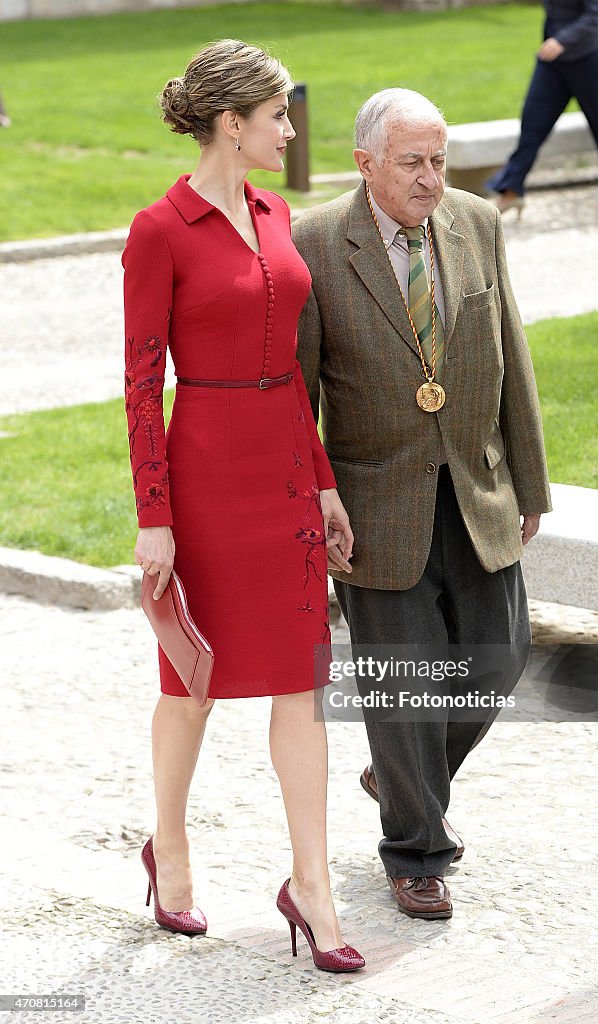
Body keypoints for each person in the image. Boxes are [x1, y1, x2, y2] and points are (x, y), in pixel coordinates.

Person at [122, 38, 363, 973]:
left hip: (286, 480)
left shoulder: (277, 212)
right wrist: (156, 513)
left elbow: (290, 373)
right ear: (233, 123)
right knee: (193, 680)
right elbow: (143, 383)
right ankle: (169, 850)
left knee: (304, 683)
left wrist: (326, 480)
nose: (290, 131)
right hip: (204, 476)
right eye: (278, 117)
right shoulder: (159, 230)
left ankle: (313, 885)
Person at [293, 89, 551, 920]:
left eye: (439, 161)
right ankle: (416, 851)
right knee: (404, 688)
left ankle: (399, 775)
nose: (431, 179)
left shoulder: (478, 222)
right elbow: (298, 401)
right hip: (373, 506)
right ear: (366, 163)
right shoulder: (315, 245)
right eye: (413, 163)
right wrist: (315, 499)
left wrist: (531, 482)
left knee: (496, 662)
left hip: (477, 486)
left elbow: (512, 350)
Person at [487, 0, 598, 218]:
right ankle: (512, 191)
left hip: (589, 57)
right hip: (553, 61)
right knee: (532, 124)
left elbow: (593, 16)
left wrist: (562, 40)